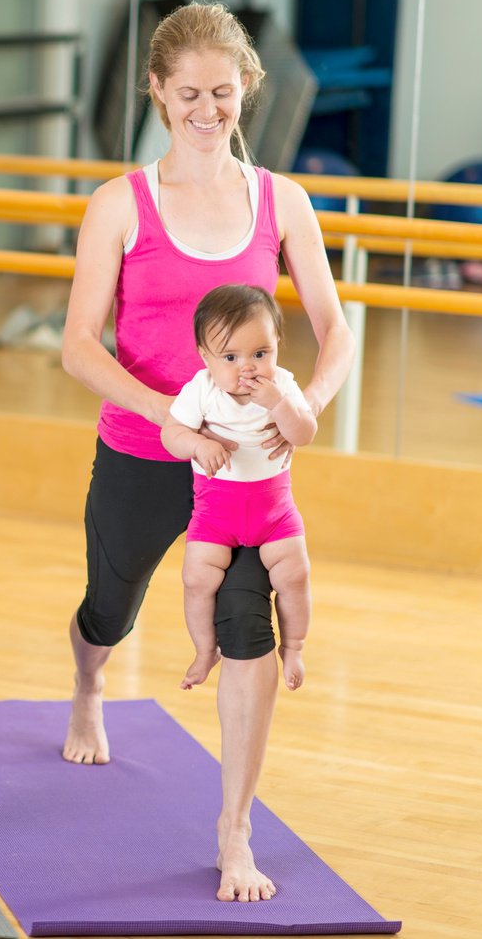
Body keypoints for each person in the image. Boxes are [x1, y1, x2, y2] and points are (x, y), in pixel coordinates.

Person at [60, 2, 355, 903]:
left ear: (245, 92)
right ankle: (87, 679)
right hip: (144, 456)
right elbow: (79, 345)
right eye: (187, 93)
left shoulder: (284, 203)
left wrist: (300, 404)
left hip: (242, 474)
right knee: (109, 607)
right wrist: (168, 419)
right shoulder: (120, 205)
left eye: (222, 94)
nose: (205, 109)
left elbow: (336, 333)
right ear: (156, 90)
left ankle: (235, 827)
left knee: (244, 626)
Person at [161, 285, 314, 692]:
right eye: (231, 357)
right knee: (196, 579)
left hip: (275, 513)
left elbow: (305, 432)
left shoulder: (282, 386)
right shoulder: (202, 390)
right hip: (215, 516)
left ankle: (294, 645)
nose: (248, 368)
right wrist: (198, 443)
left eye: (260, 354)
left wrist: (280, 405)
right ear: (205, 357)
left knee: (295, 574)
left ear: (277, 345)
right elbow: (171, 433)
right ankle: (204, 649)